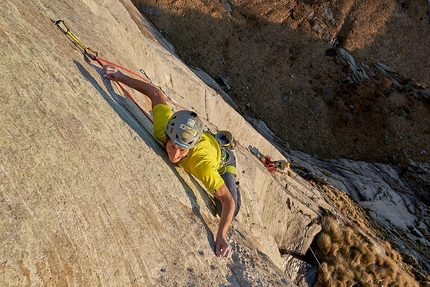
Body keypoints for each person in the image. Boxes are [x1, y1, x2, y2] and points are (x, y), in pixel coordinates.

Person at [102, 65, 241, 259]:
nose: (174, 155)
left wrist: (221, 235)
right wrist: (120, 77)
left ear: (190, 149)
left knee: (227, 211)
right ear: (168, 136)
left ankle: (230, 169)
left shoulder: (201, 165)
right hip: (198, 138)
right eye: (172, 146)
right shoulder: (164, 129)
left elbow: (228, 200)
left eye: (181, 150)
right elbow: (155, 94)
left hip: (222, 162)